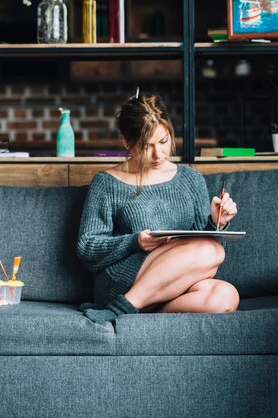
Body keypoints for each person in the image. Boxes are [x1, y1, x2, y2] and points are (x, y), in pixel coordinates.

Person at [76, 93, 239, 324]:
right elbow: (87, 247)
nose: (158, 154)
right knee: (213, 251)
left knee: (225, 297)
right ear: (126, 141)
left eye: (163, 142)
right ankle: (123, 304)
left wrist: (216, 222)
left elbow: (199, 251)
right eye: (145, 146)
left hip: (175, 283)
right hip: (125, 278)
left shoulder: (190, 179)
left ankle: (134, 311)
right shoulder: (107, 182)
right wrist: (135, 241)